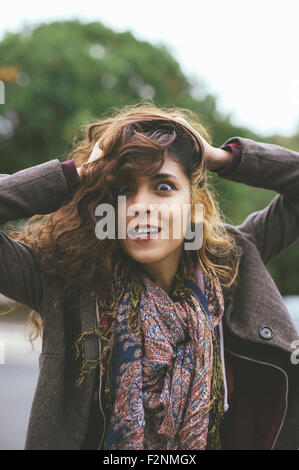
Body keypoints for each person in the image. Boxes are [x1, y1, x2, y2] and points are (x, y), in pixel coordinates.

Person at [0, 102, 298, 450]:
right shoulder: (63, 281)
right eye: (124, 190)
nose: (141, 204)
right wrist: (79, 173)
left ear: (194, 202)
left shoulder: (235, 261)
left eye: (164, 187)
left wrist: (221, 157)